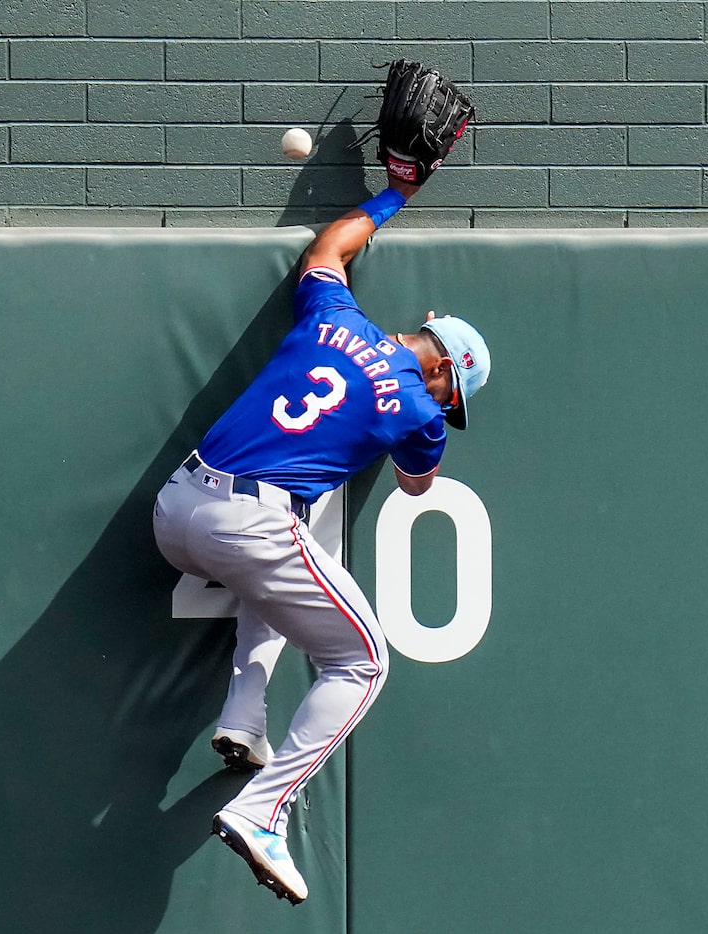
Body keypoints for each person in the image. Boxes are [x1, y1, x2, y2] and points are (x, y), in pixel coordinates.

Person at [151, 179, 491, 905]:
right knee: (364, 662)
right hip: (250, 522)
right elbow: (415, 485)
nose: (442, 408)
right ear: (440, 370)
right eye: (448, 394)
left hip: (178, 506)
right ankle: (259, 810)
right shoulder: (420, 411)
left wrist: (397, 193)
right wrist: (416, 415)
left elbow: (329, 246)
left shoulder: (336, 310)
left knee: (279, 570)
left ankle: (243, 720)